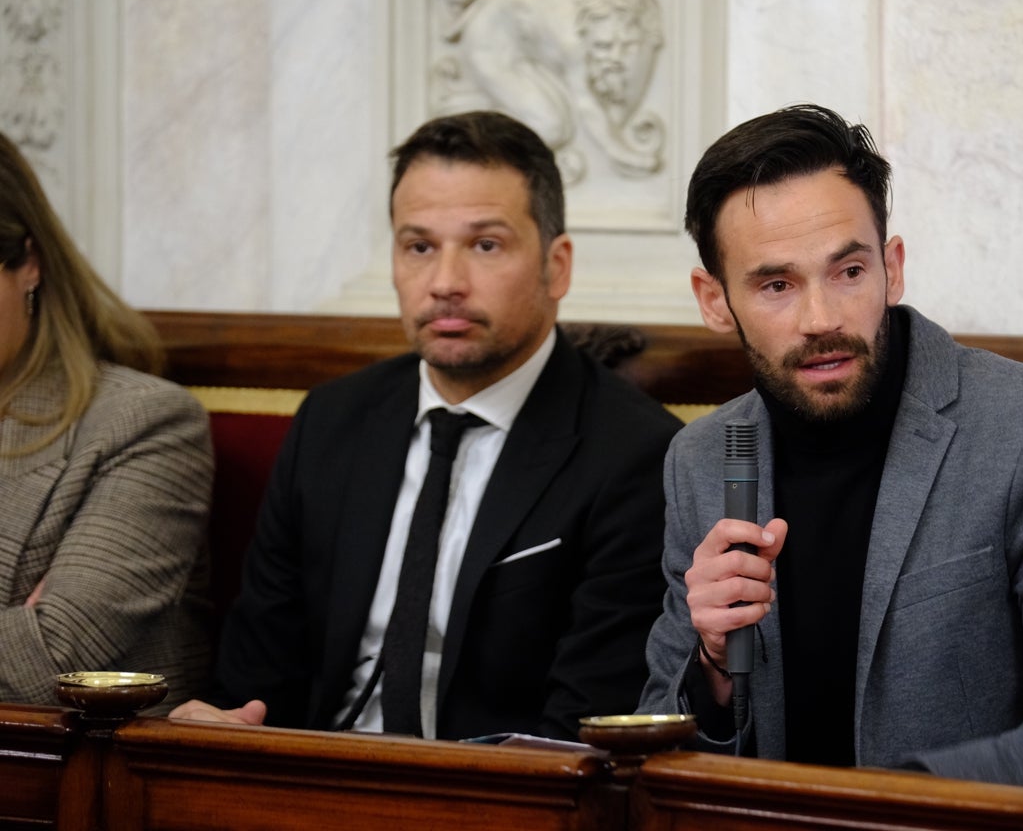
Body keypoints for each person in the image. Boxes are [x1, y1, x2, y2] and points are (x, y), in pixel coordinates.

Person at [637, 104, 1023, 790]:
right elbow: (659, 743)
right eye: (776, 285)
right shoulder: (701, 459)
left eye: (848, 272)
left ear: (892, 266)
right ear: (714, 301)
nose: (821, 319)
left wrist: (891, 806)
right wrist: (709, 666)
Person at [170, 110, 681, 740]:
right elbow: (257, 679)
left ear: (558, 266)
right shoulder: (330, 423)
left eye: (485, 245)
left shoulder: (634, 454)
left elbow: (583, 733)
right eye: (419, 247)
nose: (445, 283)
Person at [0, 131, 213, 711]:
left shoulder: (144, 424)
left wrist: (31, 640)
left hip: (60, 789)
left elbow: (55, 663)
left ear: (30, 265)